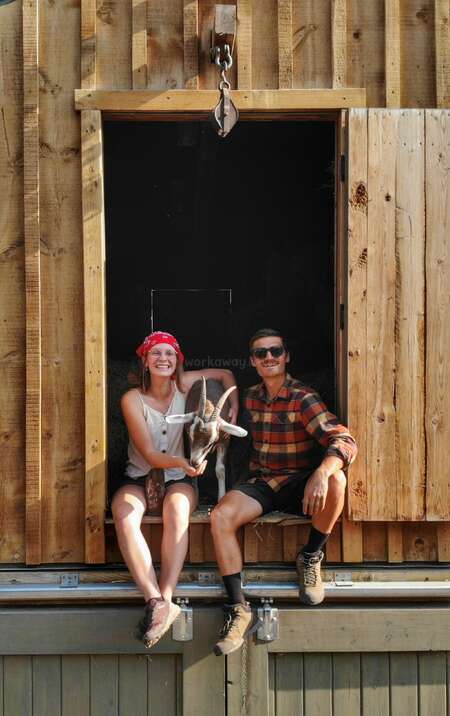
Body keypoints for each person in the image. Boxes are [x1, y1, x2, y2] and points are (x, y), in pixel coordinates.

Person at [210, 328, 357, 656]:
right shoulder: (248, 397)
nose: (269, 357)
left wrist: (321, 472)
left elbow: (344, 440)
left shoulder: (302, 397)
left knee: (337, 481)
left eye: (275, 350)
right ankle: (238, 609)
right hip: (264, 482)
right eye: (261, 353)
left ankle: (310, 555)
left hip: (299, 484)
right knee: (220, 516)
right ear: (253, 361)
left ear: (286, 356)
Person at [112, 331, 239, 648]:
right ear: (145, 360)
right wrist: (185, 463)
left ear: (178, 360)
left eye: (170, 354)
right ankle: (154, 600)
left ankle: (167, 595)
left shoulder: (186, 384)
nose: (163, 359)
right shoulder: (131, 399)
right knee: (124, 514)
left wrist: (233, 407)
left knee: (178, 511)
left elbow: (226, 375)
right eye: (156, 354)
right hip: (140, 475)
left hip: (179, 480)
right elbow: (150, 455)